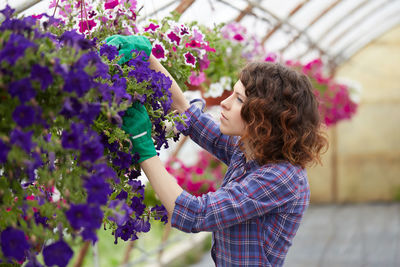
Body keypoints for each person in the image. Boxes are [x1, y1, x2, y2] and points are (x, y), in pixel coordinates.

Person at [106, 35, 328, 266]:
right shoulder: (252, 151)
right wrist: (148, 58)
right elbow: (189, 115)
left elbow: (194, 214)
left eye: (239, 100)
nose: (224, 102)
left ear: (266, 118)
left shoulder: (280, 178)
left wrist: (144, 147)